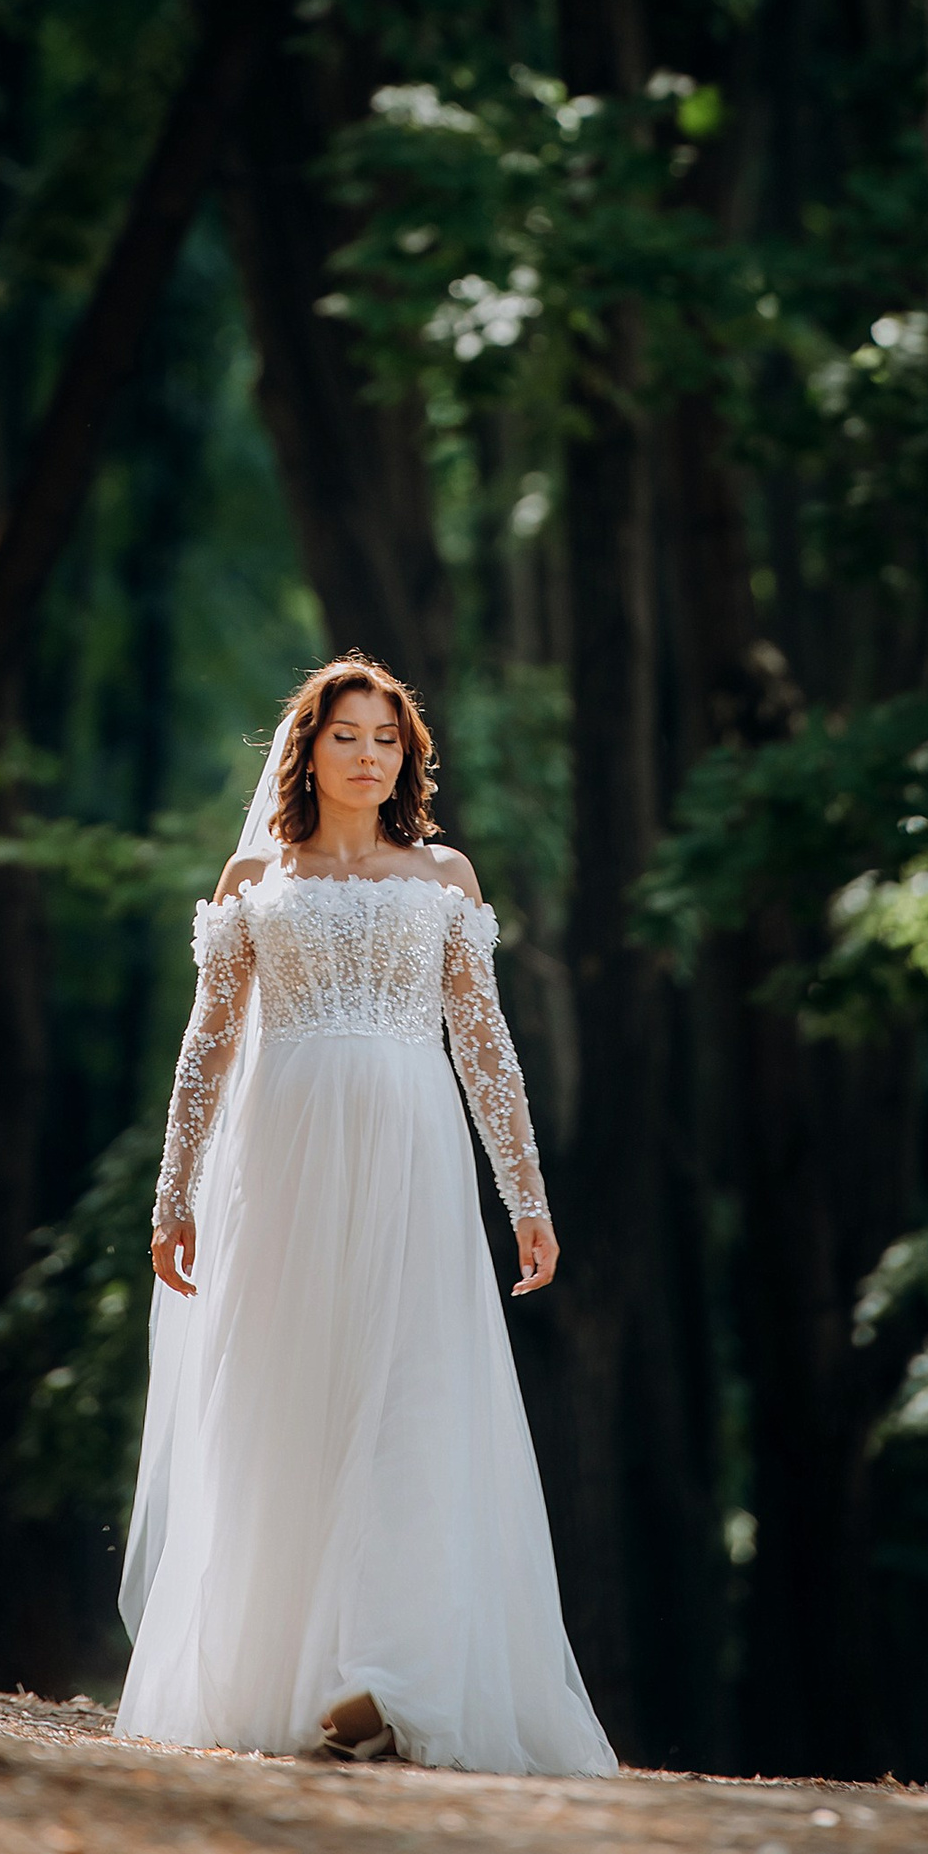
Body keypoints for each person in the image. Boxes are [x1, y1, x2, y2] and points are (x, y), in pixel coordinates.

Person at [114, 652, 616, 1777]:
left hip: (410, 1153)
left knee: (411, 1392)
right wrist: (173, 1189)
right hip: (281, 1155)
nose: (368, 753)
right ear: (309, 747)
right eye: (347, 733)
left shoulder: (444, 876)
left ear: (407, 756)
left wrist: (523, 1194)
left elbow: (484, 1045)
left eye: (386, 737)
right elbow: (207, 1046)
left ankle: (384, 1674)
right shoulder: (256, 874)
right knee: (288, 1394)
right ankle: (287, 1666)